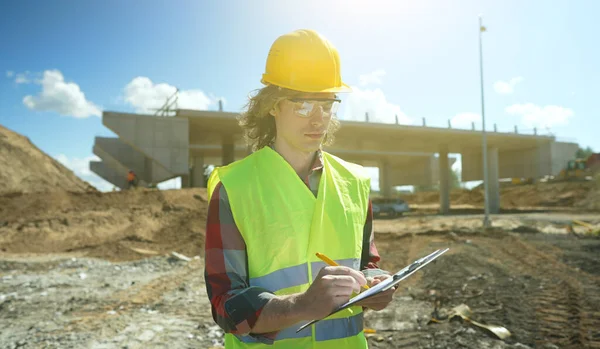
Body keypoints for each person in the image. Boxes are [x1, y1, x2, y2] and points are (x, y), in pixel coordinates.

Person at [204, 29, 397, 348]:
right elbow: (226, 307)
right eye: (303, 104)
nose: (317, 119)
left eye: (326, 104)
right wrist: (301, 306)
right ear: (272, 105)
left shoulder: (355, 182)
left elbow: (366, 263)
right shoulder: (234, 187)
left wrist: (374, 286)